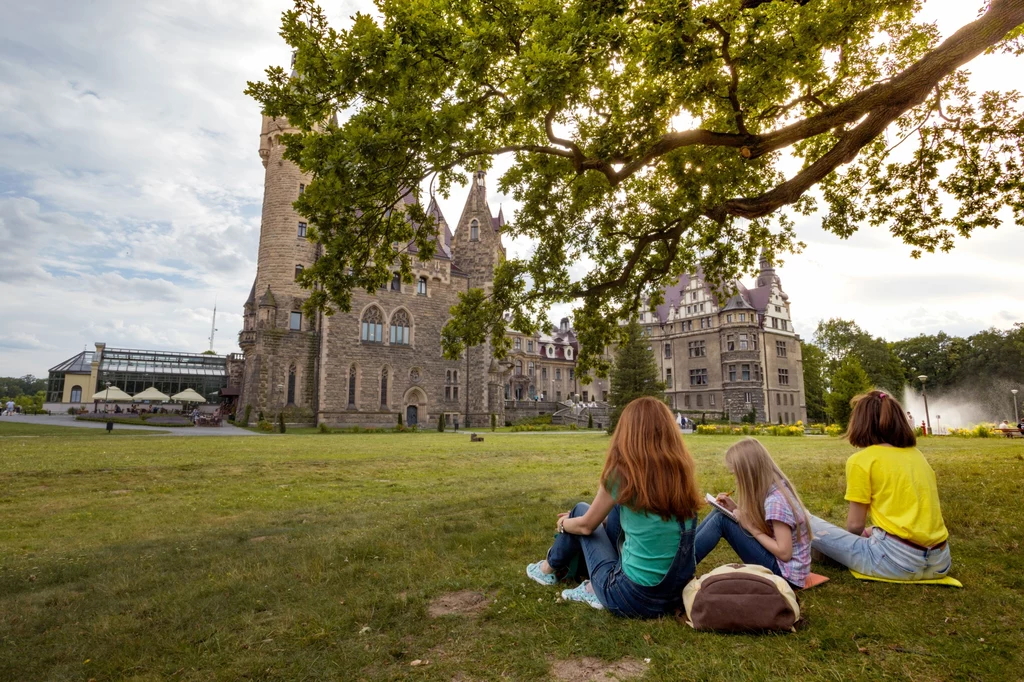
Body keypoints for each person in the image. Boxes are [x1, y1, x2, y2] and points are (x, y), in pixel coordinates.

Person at [525, 396, 702, 617]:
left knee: (580, 510)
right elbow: (642, 519)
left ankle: (547, 569)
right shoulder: (681, 473)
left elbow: (586, 526)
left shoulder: (623, 473)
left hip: (631, 597)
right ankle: (563, 570)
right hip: (676, 594)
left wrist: (564, 524)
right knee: (614, 509)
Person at [809, 390, 951, 580]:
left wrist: (852, 540)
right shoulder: (917, 456)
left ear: (860, 423)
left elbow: (854, 525)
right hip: (940, 563)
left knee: (806, 520)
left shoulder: (861, 460)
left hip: (895, 562)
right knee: (863, 534)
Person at [694, 438, 812, 589]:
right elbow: (769, 529)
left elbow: (784, 553)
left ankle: (681, 566)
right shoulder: (775, 488)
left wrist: (750, 526)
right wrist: (734, 509)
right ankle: (682, 558)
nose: (736, 481)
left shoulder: (776, 502)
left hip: (785, 576)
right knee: (720, 513)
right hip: (782, 567)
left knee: (721, 521)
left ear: (748, 475)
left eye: (736, 475)